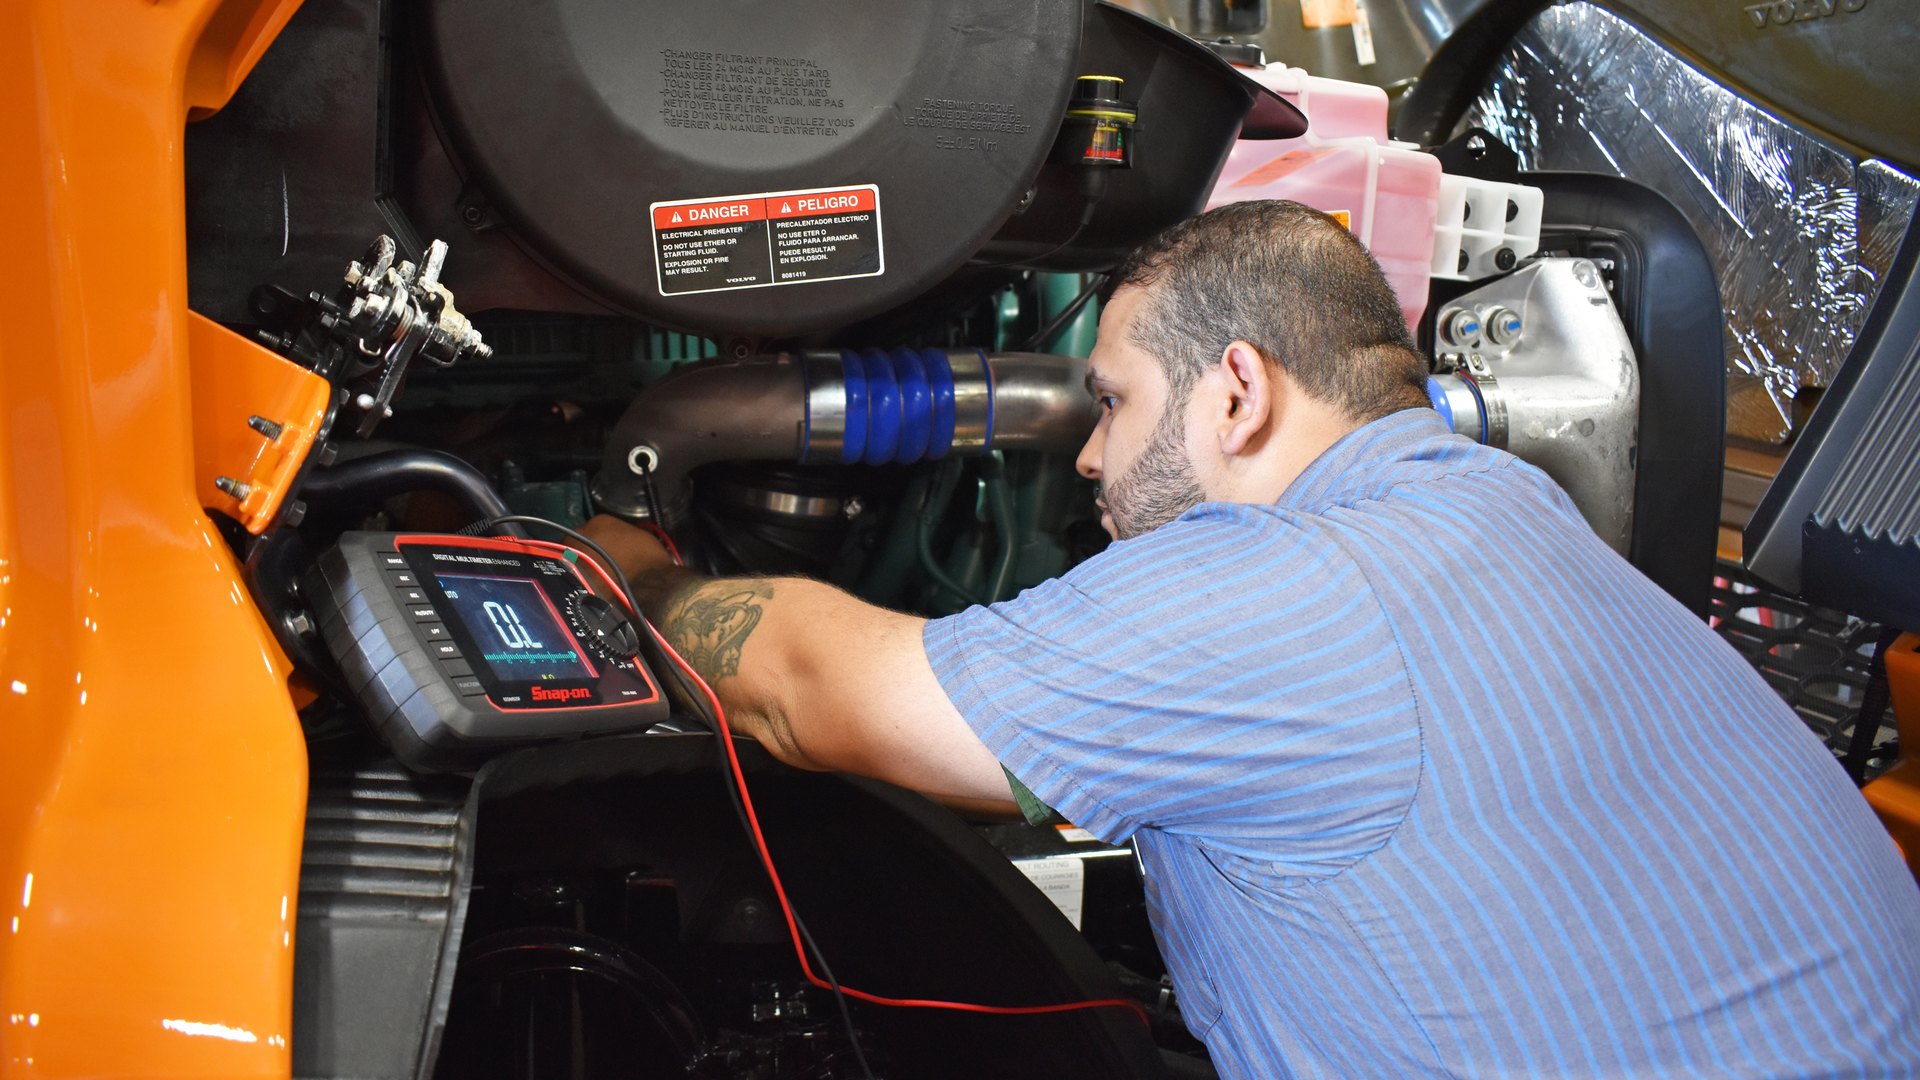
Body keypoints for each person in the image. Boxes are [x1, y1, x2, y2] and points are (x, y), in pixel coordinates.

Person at [582, 200, 1920, 1078]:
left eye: (1110, 404)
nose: (1088, 460)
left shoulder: (1299, 578)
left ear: (1236, 393)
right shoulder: (1496, 506)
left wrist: (623, 562)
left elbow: (824, 697)